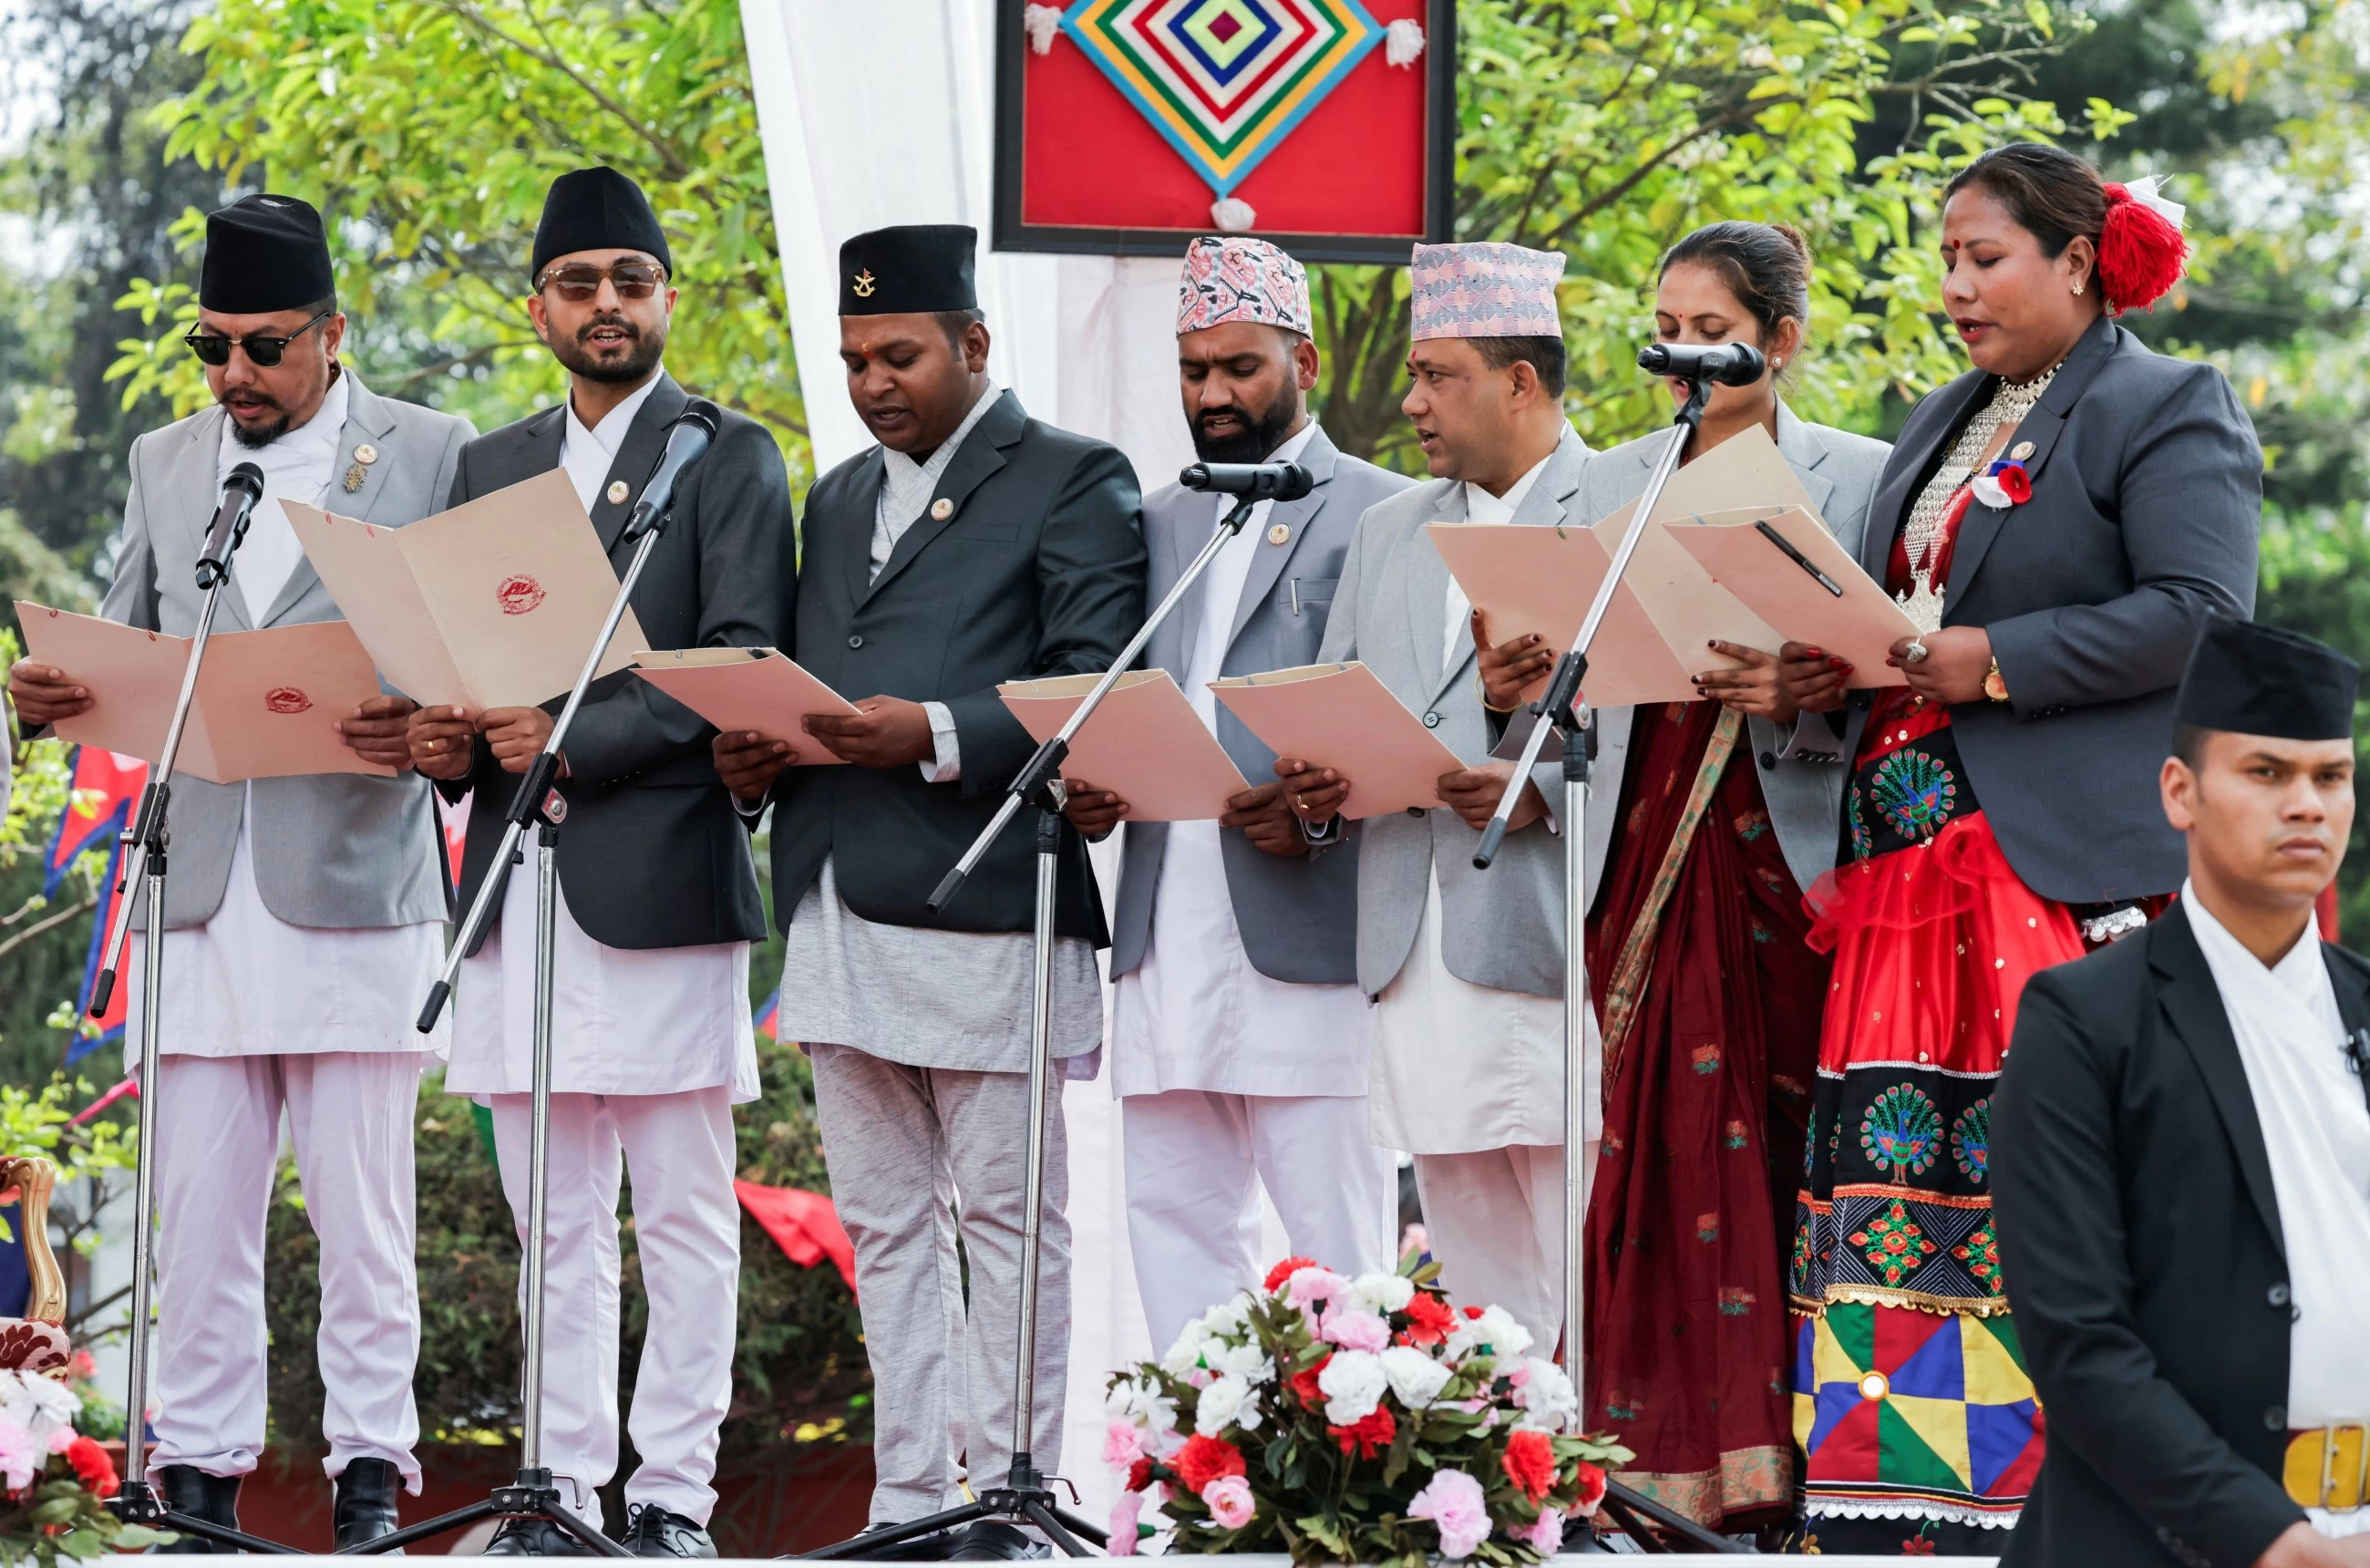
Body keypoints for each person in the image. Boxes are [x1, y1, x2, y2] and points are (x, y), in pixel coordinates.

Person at [1776, 145, 2262, 1553]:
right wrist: (1843, 669)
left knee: (2043, 1201)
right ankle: (1902, 1513)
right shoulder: (1946, 417)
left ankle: (2074, 1515)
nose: (1956, 288)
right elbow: (1905, 625)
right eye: (1947, 261)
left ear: (2077, 259)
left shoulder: (2163, 404)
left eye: (1986, 258)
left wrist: (1988, 661)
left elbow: (2201, 613)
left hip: (2054, 873)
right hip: (1900, 877)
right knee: (1897, 1190)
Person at [5, 194, 472, 1549]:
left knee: (364, 1215)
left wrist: (428, 719)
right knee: (198, 1211)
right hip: (196, 883)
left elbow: (476, 656)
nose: (236, 378)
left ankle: (371, 1478)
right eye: (214, 349)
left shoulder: (432, 451)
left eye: (264, 348)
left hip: (356, 880)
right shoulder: (169, 460)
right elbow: (123, 632)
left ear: (333, 332)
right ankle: (198, 1480)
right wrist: (52, 689)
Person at [710, 224, 1145, 1556]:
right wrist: (751, 754)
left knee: (1013, 1220)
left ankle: (1013, 1491)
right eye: (852, 359)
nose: (872, 381)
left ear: (973, 343)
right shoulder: (837, 495)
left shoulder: (1074, 476)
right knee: (888, 1226)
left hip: (986, 897)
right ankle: (914, 1500)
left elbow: (1096, 682)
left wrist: (939, 732)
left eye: (898, 353)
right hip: (836, 896)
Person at [1473, 222, 1890, 1529]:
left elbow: (1886, 677)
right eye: (1666, 327)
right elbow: (1576, 703)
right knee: (1648, 1146)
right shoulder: (1614, 487)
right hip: (1642, 848)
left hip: (1793, 853)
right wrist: (1515, 699)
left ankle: (1810, 1467)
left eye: (1712, 328)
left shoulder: (1863, 478)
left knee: (1785, 1154)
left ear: (1782, 338)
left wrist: (1810, 690)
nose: (1682, 355)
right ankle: (1655, 1472)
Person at [407, 166, 794, 1558]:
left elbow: (741, 656)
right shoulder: (487, 467)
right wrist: (451, 739)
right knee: (553, 1222)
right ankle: (556, 1495)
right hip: (514, 888)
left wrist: (573, 742)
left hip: (664, 879)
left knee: (683, 1217)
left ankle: (674, 1501)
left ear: (666, 298)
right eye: (580, 284)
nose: (608, 306)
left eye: (632, 282)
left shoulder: (723, 452)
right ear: (539, 309)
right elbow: (464, 668)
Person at [1058, 236, 1410, 1351]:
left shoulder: (1385, 511)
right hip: (1167, 929)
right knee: (1171, 1223)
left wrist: (1316, 806)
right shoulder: (1156, 518)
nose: (1212, 394)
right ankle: (1193, 1490)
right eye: (1193, 370)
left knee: (1337, 1239)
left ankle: (1350, 1497)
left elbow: (1406, 727)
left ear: (1301, 359)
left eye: (1240, 368)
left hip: (1312, 936)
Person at [1993, 617, 2370, 1568]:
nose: (2306, 806)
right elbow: (2079, 1345)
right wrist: (2267, 1539)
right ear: (2178, 792)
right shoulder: (2084, 1020)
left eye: (2329, 777)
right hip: (2157, 1541)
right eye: (2264, 772)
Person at [1273, 240, 1592, 1349]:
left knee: (1584, 1250)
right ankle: (1519, 1493)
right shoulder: (1386, 528)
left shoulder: (1622, 506)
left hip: (1557, 937)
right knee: (1474, 1278)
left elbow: (1661, 729)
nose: (1409, 401)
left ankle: (1610, 1494)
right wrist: (1318, 782)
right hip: (1409, 938)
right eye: (1411, 374)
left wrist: (1534, 780)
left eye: (1438, 374)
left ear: (1519, 380)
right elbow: (1344, 695)